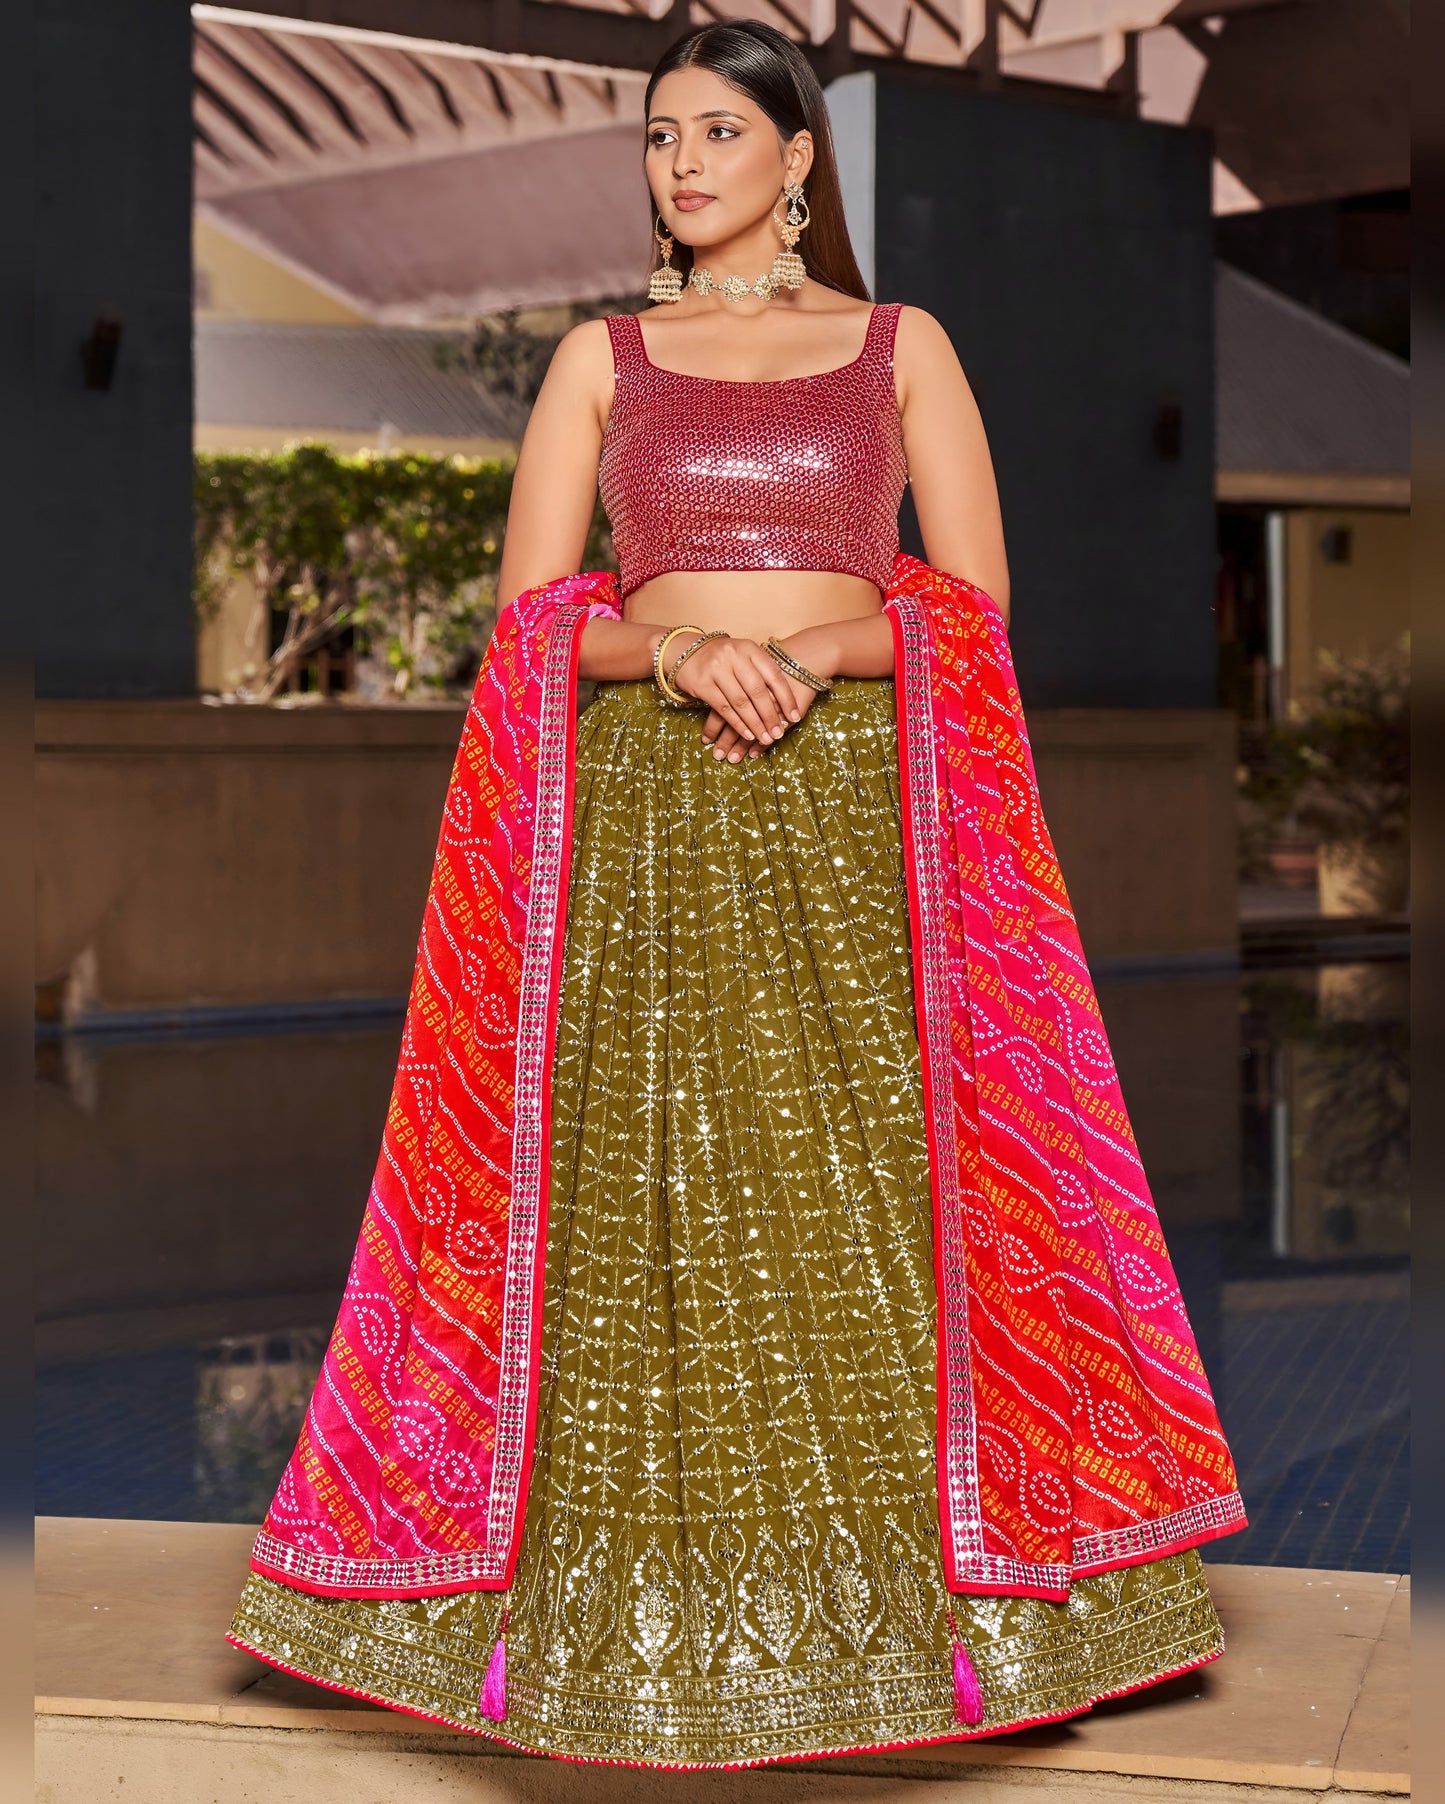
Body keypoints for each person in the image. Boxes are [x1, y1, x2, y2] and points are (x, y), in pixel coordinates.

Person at [228, 19, 1244, 1769]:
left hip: (854, 802)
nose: (681, 163)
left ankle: (939, 1611)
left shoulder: (900, 345)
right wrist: (684, 650)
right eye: (657, 136)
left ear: (794, 159)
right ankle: (608, 1614)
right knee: (643, 1192)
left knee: (860, 1177)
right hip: (648, 803)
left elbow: (971, 610)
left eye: (714, 132)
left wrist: (815, 655)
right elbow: (534, 621)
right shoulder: (599, 361)